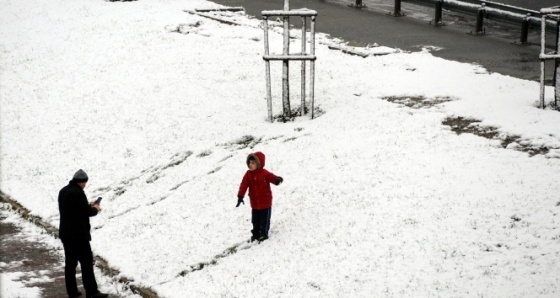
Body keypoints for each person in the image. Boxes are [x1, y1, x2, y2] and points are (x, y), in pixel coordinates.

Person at [58, 169, 108, 298]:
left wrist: (87, 205)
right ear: (82, 182)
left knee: (70, 263)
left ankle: (72, 291)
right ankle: (91, 292)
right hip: (78, 235)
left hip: (66, 233)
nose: (85, 185)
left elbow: (74, 210)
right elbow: (86, 212)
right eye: (85, 183)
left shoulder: (63, 191)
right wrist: (95, 208)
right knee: (86, 263)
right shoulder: (78, 193)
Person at [237, 152, 283, 242]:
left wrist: (277, 179)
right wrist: (240, 196)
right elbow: (244, 185)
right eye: (249, 162)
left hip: (265, 202)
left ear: (258, 164)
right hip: (254, 203)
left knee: (264, 220)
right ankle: (256, 233)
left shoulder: (264, 173)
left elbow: (272, 177)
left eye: (253, 163)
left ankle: (264, 234)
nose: (250, 165)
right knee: (255, 220)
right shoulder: (248, 174)